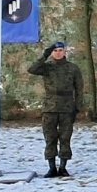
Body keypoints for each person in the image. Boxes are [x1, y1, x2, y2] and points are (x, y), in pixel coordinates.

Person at [28, 41, 84, 178]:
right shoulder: (47, 67)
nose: (58, 53)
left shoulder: (73, 68)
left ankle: (63, 167)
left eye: (60, 50)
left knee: (65, 138)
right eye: (55, 51)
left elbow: (79, 89)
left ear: (65, 52)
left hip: (67, 107)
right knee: (50, 138)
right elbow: (32, 69)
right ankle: (51, 168)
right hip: (50, 107)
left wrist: (78, 107)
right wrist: (44, 56)